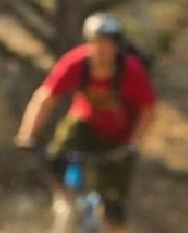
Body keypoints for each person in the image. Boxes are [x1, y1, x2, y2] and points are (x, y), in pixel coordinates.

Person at [15, 13, 158, 233]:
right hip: (84, 123)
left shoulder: (131, 71)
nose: (101, 52)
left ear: (117, 47)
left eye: (107, 46)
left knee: (113, 209)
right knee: (57, 155)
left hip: (119, 136)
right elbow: (45, 98)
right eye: (96, 44)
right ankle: (65, 205)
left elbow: (148, 110)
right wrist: (27, 134)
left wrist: (134, 144)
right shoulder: (76, 63)